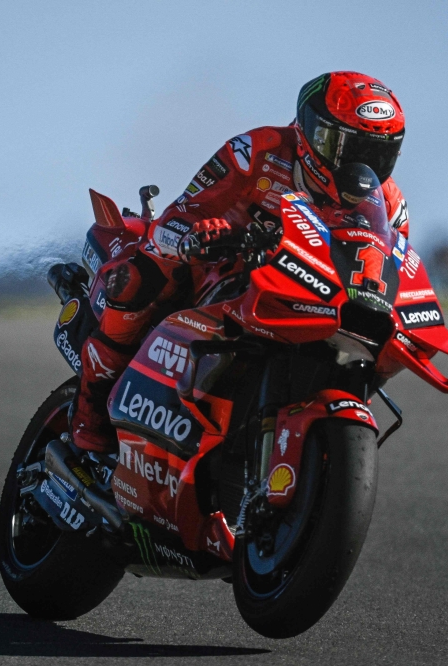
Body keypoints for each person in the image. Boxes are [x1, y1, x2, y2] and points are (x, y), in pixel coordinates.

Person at [72, 71, 411, 453]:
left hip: (310, 298)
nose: (360, 166)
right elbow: (177, 215)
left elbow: (391, 272)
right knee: (138, 277)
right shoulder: (258, 150)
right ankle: (91, 407)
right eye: (346, 147)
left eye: (375, 154)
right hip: (221, 271)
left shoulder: (391, 205)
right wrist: (194, 237)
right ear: (313, 132)